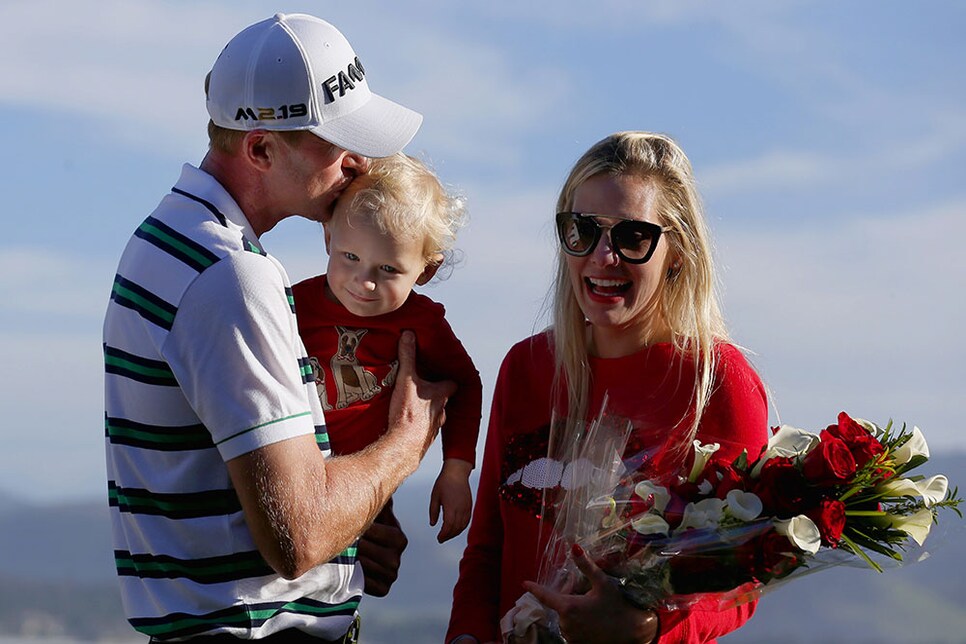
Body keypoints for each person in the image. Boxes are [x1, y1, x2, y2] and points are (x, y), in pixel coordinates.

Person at [103, 13, 454, 642]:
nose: (360, 161)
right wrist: (407, 440)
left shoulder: (167, 242)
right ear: (261, 148)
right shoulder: (231, 276)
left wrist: (354, 524)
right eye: (336, 141)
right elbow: (299, 534)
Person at [446, 131, 770, 643]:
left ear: (677, 251)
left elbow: (743, 580)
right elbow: (489, 546)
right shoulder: (527, 367)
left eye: (631, 237)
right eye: (582, 231)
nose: (603, 257)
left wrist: (647, 627)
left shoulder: (718, 381)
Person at [292, 153, 482, 543]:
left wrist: (456, 470)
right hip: (294, 475)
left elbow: (465, 385)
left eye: (389, 269)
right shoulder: (291, 307)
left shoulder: (421, 323)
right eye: (350, 257)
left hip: (366, 486)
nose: (364, 282)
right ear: (328, 237)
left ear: (425, 270)